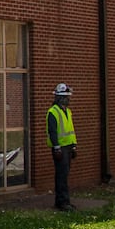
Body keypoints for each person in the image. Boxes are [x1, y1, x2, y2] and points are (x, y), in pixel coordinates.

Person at [46, 82, 77, 211]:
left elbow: (71, 129)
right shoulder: (53, 112)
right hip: (60, 149)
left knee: (65, 175)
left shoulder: (68, 112)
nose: (69, 99)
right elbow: (53, 132)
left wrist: (74, 146)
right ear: (60, 98)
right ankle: (62, 202)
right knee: (61, 176)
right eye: (66, 97)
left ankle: (64, 201)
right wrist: (57, 147)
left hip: (68, 147)